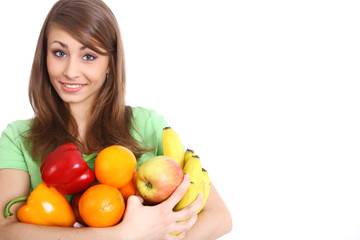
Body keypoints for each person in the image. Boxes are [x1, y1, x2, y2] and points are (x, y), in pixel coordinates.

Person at [0, 0, 232, 239]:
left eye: (88, 56)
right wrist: (123, 235)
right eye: (60, 53)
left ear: (110, 61)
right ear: (43, 55)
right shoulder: (18, 138)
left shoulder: (147, 125)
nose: (70, 70)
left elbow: (219, 217)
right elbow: (4, 231)